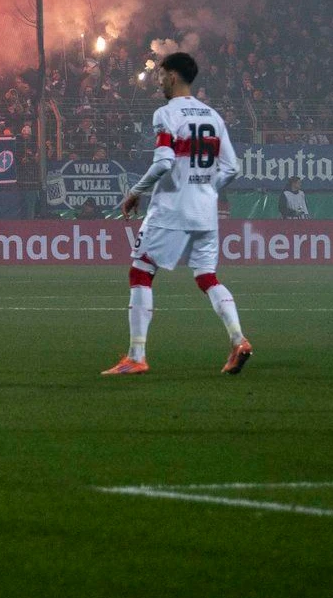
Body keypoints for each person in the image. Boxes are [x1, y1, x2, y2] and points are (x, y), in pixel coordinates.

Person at [104, 52, 251, 376]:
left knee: (141, 271)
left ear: (172, 76)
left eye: (161, 75)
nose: (158, 80)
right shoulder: (213, 116)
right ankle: (238, 339)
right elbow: (233, 167)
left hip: (171, 208)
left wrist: (135, 192)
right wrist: (207, 187)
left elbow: (163, 162)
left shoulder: (166, 114)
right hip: (205, 211)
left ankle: (136, 356)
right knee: (207, 277)